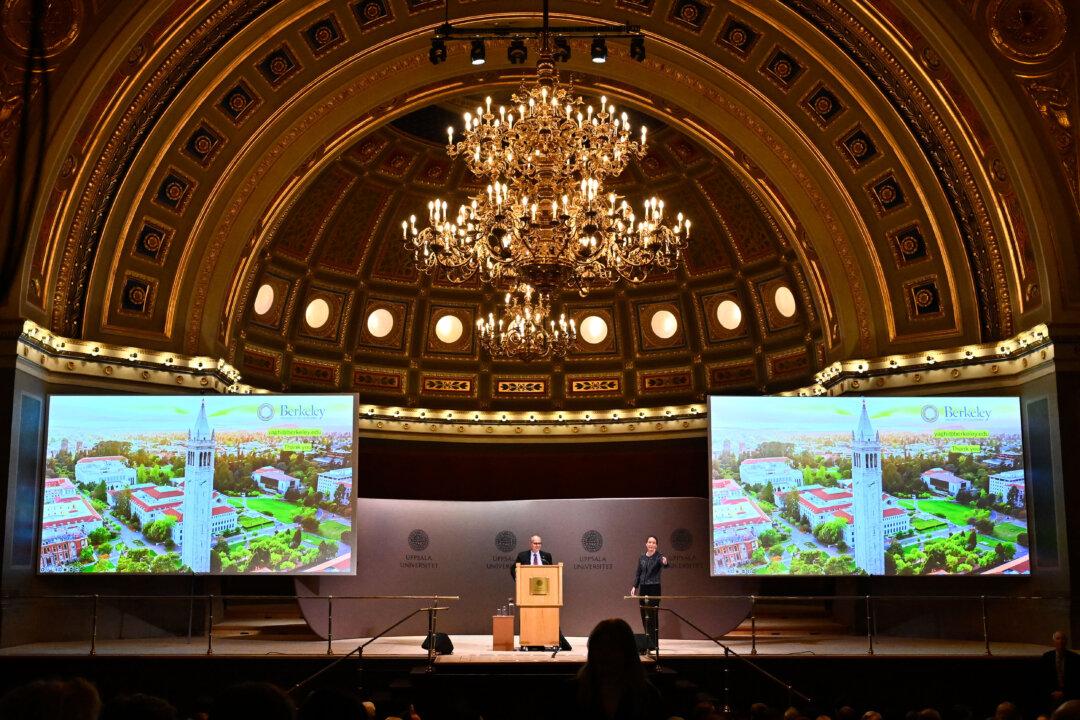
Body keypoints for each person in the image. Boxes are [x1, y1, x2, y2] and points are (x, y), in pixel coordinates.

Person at [568, 618, 665, 720]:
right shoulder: (571, 692)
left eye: (612, 648)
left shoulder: (648, 696)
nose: (605, 655)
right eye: (599, 648)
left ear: (628, 654)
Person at [629, 535, 668, 652]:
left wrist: (665, 562)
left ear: (656, 545)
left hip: (654, 588)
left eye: (654, 542)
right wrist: (634, 587)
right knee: (644, 616)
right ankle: (647, 642)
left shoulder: (659, 557)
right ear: (646, 544)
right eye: (649, 542)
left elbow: (664, 563)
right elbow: (638, 574)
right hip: (643, 589)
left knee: (652, 617)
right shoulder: (642, 558)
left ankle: (654, 643)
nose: (651, 544)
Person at [1043, 630, 1080, 706]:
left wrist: (1064, 693)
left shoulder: (1075, 658)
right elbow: (1043, 678)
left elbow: (1077, 679)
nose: (1060, 641)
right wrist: (1052, 692)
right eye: (1058, 638)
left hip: (1070, 695)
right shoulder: (1046, 657)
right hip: (1051, 695)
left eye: (1063, 639)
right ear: (1053, 642)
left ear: (1066, 641)